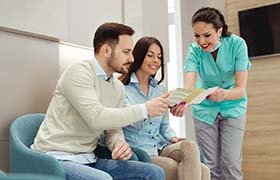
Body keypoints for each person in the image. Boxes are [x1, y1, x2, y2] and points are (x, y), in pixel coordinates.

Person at [31, 22, 168, 180]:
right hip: (56, 158)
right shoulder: (78, 73)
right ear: (106, 50)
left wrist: (118, 144)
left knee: (154, 172)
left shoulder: (117, 87)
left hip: (89, 158)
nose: (131, 58)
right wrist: (144, 109)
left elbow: (113, 130)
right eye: (126, 52)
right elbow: (96, 118)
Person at [173, 7, 251, 180]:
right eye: (196, 35)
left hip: (233, 107)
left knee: (231, 164)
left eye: (207, 35)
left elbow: (239, 89)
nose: (201, 41)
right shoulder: (194, 51)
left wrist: (224, 94)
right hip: (204, 110)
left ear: (219, 30)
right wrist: (183, 101)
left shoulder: (237, 45)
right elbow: (189, 84)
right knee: (209, 166)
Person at [119, 36, 210, 180]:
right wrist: (151, 108)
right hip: (140, 150)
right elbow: (135, 123)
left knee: (191, 147)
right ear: (138, 56)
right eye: (150, 55)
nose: (155, 60)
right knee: (191, 170)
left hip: (160, 146)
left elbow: (164, 125)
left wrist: (172, 137)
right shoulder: (122, 89)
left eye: (159, 57)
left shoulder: (159, 89)